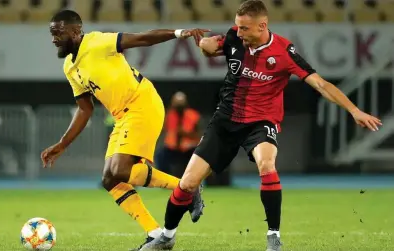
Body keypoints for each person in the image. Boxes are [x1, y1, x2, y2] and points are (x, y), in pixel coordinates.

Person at [140, 1, 382, 251]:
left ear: (262, 26)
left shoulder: (284, 52)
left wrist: (354, 110)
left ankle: (273, 237)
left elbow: (320, 84)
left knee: (266, 165)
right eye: (237, 27)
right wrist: (204, 45)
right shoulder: (235, 37)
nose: (239, 32)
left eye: (244, 28)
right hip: (225, 121)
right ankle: (167, 237)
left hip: (261, 122)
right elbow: (211, 48)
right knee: (187, 183)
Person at [41, 10, 209, 250]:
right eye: (51, 33)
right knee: (110, 179)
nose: (53, 38)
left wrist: (178, 33)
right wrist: (62, 144)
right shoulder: (70, 67)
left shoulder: (97, 42)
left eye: (57, 32)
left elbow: (141, 39)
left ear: (76, 31)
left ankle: (187, 187)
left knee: (119, 170)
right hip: (122, 116)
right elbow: (84, 109)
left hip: (142, 104)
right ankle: (157, 234)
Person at [156, 91, 201, 178]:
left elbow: (198, 134)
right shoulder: (169, 115)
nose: (179, 106)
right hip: (172, 148)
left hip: (188, 148)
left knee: (199, 158)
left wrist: (185, 134)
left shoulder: (193, 115)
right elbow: (165, 131)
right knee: (160, 156)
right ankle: (165, 179)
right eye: (177, 104)